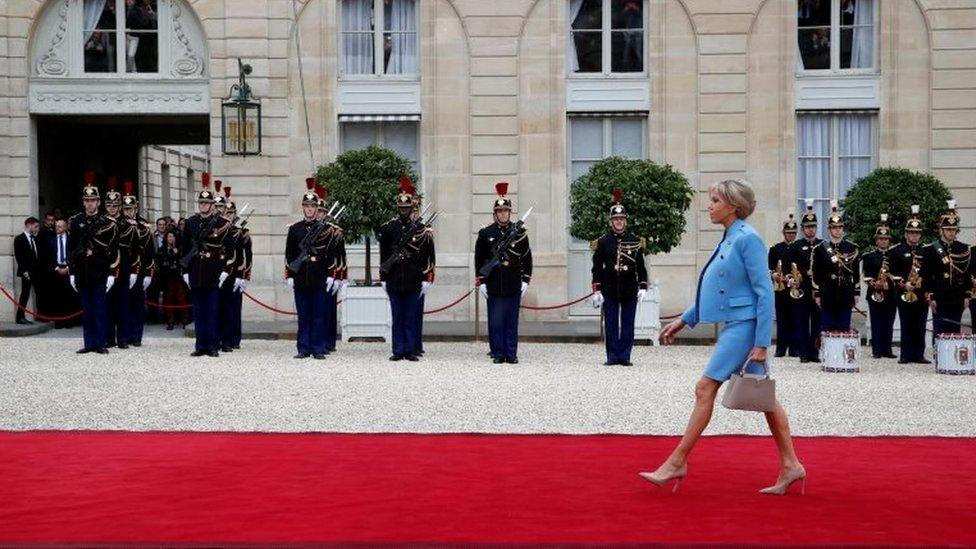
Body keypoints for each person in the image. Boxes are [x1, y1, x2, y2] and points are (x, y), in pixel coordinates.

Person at [642, 179, 805, 496]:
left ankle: (677, 462)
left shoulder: (747, 239)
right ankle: (791, 465)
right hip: (738, 323)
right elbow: (718, 290)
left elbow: (763, 293)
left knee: (705, 388)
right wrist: (684, 321)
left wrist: (761, 342)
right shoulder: (731, 237)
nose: (710, 205)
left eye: (715, 200)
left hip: (745, 326)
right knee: (764, 398)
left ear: (733, 205)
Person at [378, 177, 436, 362]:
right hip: (394, 277)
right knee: (397, 317)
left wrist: (427, 278)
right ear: (398, 208)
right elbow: (384, 254)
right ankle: (398, 350)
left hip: (413, 278)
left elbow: (427, 254)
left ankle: (410, 350)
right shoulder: (389, 229)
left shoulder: (420, 229)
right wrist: (383, 278)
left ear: (411, 208)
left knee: (410, 317)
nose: (405, 211)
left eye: (407, 208)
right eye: (401, 208)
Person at [474, 182, 532, 364]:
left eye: (506, 211)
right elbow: (479, 259)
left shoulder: (520, 232)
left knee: (511, 321)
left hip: (513, 281)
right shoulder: (486, 233)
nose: (503, 214)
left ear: (510, 212)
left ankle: (511, 353)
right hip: (493, 282)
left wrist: (525, 280)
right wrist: (481, 281)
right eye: (499, 211)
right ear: (495, 214)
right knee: (496, 321)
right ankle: (498, 353)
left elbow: (527, 257)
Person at [590, 188, 648, 366]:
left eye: (621, 219)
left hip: (629, 288)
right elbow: (597, 267)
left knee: (628, 324)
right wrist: (596, 289)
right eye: (616, 219)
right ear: (611, 221)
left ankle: (625, 356)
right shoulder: (603, 241)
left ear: (626, 221)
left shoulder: (635, 240)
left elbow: (640, 266)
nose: (619, 222)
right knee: (611, 325)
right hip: (609, 288)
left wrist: (643, 286)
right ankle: (612, 356)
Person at [68, 172, 121, 354]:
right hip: (82, 271)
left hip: (100, 271)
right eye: (87, 200)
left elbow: (114, 251)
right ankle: (88, 342)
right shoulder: (76, 222)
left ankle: (100, 343)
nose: (89, 203)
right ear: (83, 202)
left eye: (93, 200)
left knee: (99, 310)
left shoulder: (108, 223)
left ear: (99, 202)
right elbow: (72, 249)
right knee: (87, 310)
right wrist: (72, 273)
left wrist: (113, 274)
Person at [182, 172, 234, 357]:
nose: (203, 206)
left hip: (213, 271)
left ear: (213, 205)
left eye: (207, 203)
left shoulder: (222, 223)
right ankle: (200, 345)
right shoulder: (191, 223)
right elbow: (184, 248)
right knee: (198, 312)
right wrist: (185, 271)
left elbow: (230, 250)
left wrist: (225, 271)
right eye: (201, 203)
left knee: (212, 311)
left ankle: (212, 346)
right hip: (196, 270)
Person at [284, 178, 330, 360]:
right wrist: (290, 274)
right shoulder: (295, 229)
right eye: (307, 206)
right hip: (301, 276)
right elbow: (289, 253)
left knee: (318, 316)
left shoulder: (325, 229)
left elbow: (328, 254)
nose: (310, 209)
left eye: (313, 207)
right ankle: (303, 348)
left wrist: (329, 275)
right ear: (303, 207)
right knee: (304, 316)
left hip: (318, 276)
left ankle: (318, 348)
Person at [922, 200, 972, 338]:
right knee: (939, 332)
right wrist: (930, 297)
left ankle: (953, 358)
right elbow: (926, 275)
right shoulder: (931, 249)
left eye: (953, 230)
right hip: (939, 296)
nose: (951, 232)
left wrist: (967, 295)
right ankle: (939, 359)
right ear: (941, 230)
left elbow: (968, 274)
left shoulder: (964, 249)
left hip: (957, 297)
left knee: (955, 332)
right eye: (948, 229)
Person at [889, 206, 930, 364]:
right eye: (912, 232)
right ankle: (905, 355)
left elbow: (929, 271)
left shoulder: (926, 250)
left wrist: (923, 285)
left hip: (920, 293)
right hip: (904, 292)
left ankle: (919, 354)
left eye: (917, 233)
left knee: (920, 324)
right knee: (906, 323)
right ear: (906, 233)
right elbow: (891, 271)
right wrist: (903, 283)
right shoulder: (897, 250)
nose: (914, 235)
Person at [813, 202, 860, 332]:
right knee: (827, 330)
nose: (837, 230)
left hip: (846, 294)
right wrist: (817, 294)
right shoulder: (820, 249)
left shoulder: (851, 247)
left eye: (840, 227)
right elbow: (816, 273)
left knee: (844, 329)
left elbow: (855, 272)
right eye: (834, 228)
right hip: (827, 293)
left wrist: (856, 293)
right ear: (829, 229)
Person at [217, 187, 251, 352]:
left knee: (233, 309)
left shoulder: (241, 232)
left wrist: (244, 276)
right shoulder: (219, 231)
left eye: (231, 213)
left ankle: (232, 339)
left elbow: (246, 256)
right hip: (219, 272)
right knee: (219, 308)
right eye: (226, 213)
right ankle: (219, 337)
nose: (228, 216)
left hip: (235, 273)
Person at [121, 181, 154, 347]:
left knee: (137, 305)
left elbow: (149, 253)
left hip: (140, 271)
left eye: (131, 209)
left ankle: (136, 336)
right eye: (126, 209)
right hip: (123, 270)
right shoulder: (119, 225)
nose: (129, 212)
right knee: (123, 305)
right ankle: (125, 336)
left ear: (136, 208)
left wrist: (149, 273)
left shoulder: (144, 227)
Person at [789, 200, 823, 363]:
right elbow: (790, 268)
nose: (811, 229)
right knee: (801, 322)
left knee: (817, 324)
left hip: (817, 291)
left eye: (813, 227)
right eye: (808, 227)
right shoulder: (796, 246)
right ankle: (803, 353)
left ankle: (814, 352)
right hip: (802, 290)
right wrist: (793, 279)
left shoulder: (822, 245)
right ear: (803, 229)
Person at [103, 178, 134, 349]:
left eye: (115, 205)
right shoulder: (101, 222)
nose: (112, 208)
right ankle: (108, 338)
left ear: (120, 207)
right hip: (105, 270)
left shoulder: (127, 224)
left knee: (123, 307)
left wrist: (134, 271)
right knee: (107, 306)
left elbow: (134, 248)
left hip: (122, 270)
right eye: (109, 205)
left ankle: (122, 338)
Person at [862, 214, 897, 359]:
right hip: (875, 293)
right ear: (876, 241)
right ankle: (877, 350)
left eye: (886, 239)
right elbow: (866, 275)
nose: (883, 241)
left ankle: (887, 350)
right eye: (881, 239)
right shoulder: (869, 256)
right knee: (876, 322)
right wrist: (874, 283)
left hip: (890, 293)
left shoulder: (895, 255)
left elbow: (897, 273)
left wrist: (890, 279)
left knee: (889, 322)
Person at [316, 186, 346, 355]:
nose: (319, 214)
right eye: (317, 211)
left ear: (326, 213)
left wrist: (340, 277)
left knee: (328, 310)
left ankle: (329, 341)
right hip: (315, 274)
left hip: (331, 274)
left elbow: (340, 256)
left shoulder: (335, 232)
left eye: (322, 211)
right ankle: (317, 340)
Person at [768, 212, 798, 357]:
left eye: (793, 233)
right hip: (780, 289)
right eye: (789, 232)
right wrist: (774, 275)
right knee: (781, 318)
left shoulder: (799, 248)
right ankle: (781, 348)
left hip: (795, 287)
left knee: (795, 318)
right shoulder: (775, 249)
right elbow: (769, 268)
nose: (791, 235)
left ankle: (794, 348)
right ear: (784, 233)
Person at [47, 218, 80, 328]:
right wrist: (56, 268)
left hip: (69, 270)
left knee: (70, 296)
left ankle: (69, 321)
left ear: (65, 227)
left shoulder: (72, 240)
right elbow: (48, 257)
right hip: (56, 271)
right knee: (57, 296)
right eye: (56, 226)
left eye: (60, 226)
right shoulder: (50, 241)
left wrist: (68, 268)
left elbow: (76, 255)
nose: (57, 228)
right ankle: (59, 321)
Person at [157, 231, 189, 330]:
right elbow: (161, 262)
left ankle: (185, 319)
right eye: (169, 236)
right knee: (168, 299)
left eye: (173, 236)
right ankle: (170, 321)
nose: (171, 238)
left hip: (178, 277)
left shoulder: (180, 249)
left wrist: (176, 252)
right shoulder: (162, 249)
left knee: (181, 298)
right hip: (167, 277)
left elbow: (182, 261)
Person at [13, 217, 40, 324]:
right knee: (25, 294)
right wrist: (25, 271)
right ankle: (20, 317)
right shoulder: (19, 239)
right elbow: (19, 256)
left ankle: (41, 315)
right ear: (29, 225)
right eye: (36, 226)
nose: (37, 229)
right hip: (27, 272)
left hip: (36, 271)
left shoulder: (34, 238)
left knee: (39, 292)